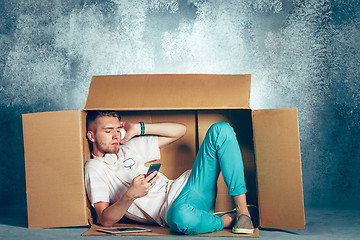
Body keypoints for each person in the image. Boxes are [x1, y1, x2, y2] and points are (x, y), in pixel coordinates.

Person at [84, 111, 254, 235]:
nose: (115, 136)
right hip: (174, 212)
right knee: (180, 217)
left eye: (117, 130)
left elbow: (180, 130)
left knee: (220, 129)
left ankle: (243, 211)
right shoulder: (94, 168)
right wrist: (130, 195)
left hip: (192, 186)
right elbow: (104, 220)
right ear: (91, 136)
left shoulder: (130, 146)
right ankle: (228, 219)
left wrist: (139, 128)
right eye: (108, 131)